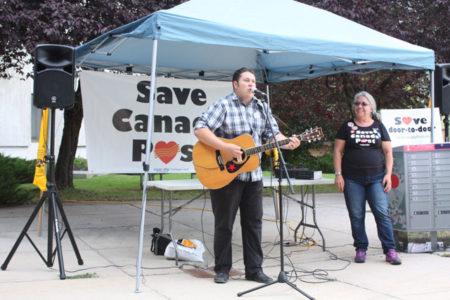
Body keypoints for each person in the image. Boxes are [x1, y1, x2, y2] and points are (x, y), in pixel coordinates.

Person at [194, 67, 300, 284]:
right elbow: (199, 127)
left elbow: (272, 134)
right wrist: (224, 147)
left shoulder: (261, 106)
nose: (252, 84)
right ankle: (222, 269)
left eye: (254, 81)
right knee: (224, 224)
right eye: (247, 80)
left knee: (254, 224)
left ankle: (254, 270)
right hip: (226, 176)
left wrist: (286, 142)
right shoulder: (224, 105)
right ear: (236, 84)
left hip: (253, 176)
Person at [333, 91, 401, 265]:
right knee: (356, 215)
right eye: (357, 103)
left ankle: (390, 250)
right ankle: (361, 248)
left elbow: (388, 152)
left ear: (372, 107)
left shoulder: (379, 126)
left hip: (377, 178)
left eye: (364, 104)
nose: (360, 106)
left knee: (382, 213)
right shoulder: (347, 126)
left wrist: (388, 174)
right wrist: (338, 174)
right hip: (352, 179)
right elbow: (338, 151)